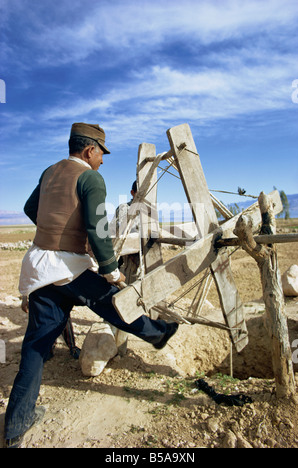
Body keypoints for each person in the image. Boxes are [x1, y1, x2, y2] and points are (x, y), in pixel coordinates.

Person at [4, 122, 178, 448]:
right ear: (89, 150)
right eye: (101, 153)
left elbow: (31, 208)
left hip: (38, 268)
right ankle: (158, 334)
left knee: (34, 349)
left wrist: (53, 229)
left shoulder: (49, 172)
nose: (102, 160)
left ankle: (15, 429)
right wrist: (112, 271)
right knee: (116, 303)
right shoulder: (91, 178)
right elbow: (98, 229)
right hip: (70, 268)